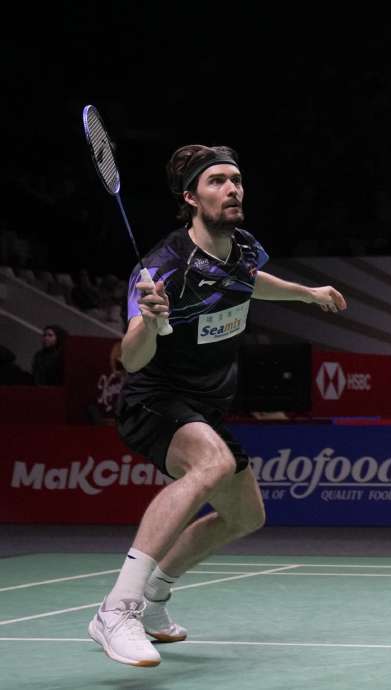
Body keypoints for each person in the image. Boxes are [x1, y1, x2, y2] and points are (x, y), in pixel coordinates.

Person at [88, 144, 348, 668]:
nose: (232, 189)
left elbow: (248, 283)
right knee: (213, 464)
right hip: (155, 401)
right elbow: (133, 361)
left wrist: (306, 292)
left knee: (245, 515)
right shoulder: (164, 268)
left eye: (236, 179)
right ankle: (118, 609)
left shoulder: (245, 249)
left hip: (205, 406)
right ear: (190, 197)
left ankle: (157, 596)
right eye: (217, 182)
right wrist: (147, 319)